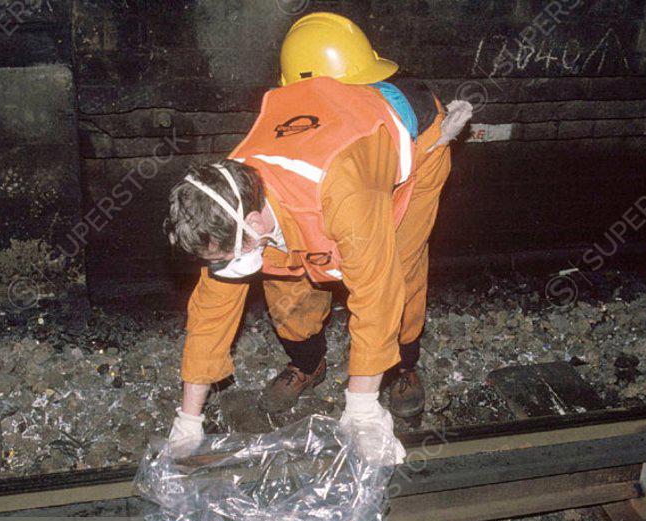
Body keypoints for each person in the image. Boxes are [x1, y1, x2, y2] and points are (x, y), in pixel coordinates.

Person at [163, 12, 471, 459]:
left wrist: (362, 408)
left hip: (413, 147)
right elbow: (211, 314)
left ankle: (404, 365)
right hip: (318, 167)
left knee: (397, 270)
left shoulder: (346, 196)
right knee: (288, 283)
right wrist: (187, 421)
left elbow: (375, 291)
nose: (225, 269)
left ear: (254, 223)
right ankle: (309, 363)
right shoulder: (225, 198)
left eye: (230, 256)